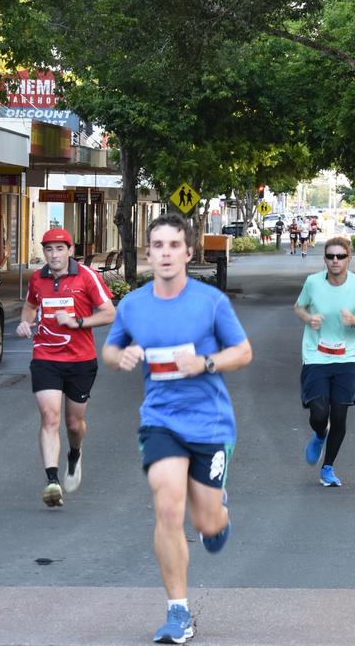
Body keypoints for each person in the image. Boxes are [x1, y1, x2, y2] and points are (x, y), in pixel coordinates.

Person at [103, 213, 253, 645]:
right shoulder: (133, 305)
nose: (165, 253)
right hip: (161, 420)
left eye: (174, 245)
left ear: (189, 253)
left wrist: (206, 363)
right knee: (168, 506)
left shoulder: (210, 302)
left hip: (210, 422)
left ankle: (217, 514)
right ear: (148, 253)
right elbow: (111, 351)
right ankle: (178, 613)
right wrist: (122, 358)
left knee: (205, 524)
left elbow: (243, 352)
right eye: (158, 245)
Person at [15, 228, 116, 507]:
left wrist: (78, 323)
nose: (54, 255)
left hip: (80, 360)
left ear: (70, 250)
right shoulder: (38, 278)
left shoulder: (87, 277)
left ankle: (75, 452)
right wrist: (26, 322)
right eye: (49, 249)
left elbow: (109, 313)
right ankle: (52, 480)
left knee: (74, 423)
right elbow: (30, 305)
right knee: (49, 417)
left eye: (60, 249)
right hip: (45, 356)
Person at [293, 234, 355, 487]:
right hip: (316, 355)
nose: (335, 261)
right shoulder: (313, 283)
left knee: (339, 415)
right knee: (319, 414)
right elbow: (299, 307)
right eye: (330, 256)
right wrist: (309, 319)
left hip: (346, 357)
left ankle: (327, 468)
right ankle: (320, 434)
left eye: (340, 256)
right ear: (325, 259)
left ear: (349, 259)